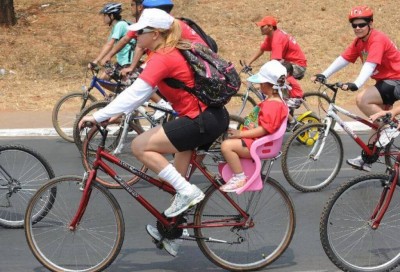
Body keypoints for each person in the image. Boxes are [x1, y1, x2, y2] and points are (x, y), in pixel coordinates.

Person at [78, 8, 230, 257]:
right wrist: (117, 113)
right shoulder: (165, 53)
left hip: (201, 120)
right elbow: (145, 93)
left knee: (140, 146)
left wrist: (98, 115)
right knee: (175, 184)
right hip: (207, 118)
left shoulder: (165, 57)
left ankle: (189, 193)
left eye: (140, 32)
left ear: (156, 34)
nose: (136, 36)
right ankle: (172, 233)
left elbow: (135, 92)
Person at [312, 5, 400, 172]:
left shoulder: (377, 39)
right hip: (386, 81)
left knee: (362, 99)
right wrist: (324, 74)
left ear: (370, 24)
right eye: (354, 25)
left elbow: (370, 64)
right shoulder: (360, 42)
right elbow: (344, 58)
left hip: (396, 80)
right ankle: (367, 159)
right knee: (376, 121)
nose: (358, 28)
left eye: (362, 24)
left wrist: (357, 84)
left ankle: (389, 128)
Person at [220, 60, 289, 192]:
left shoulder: (273, 105)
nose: (259, 86)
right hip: (255, 141)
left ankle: (239, 177)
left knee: (226, 146)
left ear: (266, 85)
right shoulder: (275, 101)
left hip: (258, 145)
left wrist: (240, 134)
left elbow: (264, 129)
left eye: (261, 83)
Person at [90, 3, 134, 91]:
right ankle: (120, 96)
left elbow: (110, 44)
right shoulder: (116, 26)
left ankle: (123, 97)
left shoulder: (120, 25)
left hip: (127, 62)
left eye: (105, 15)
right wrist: (98, 59)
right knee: (103, 79)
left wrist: (96, 61)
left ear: (112, 15)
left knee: (125, 87)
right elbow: (108, 44)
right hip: (121, 61)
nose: (103, 18)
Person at [247, 15, 307, 80]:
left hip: (297, 66)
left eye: (263, 26)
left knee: (272, 78)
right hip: (289, 63)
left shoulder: (277, 39)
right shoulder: (271, 35)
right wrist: (249, 62)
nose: (260, 28)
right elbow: (262, 49)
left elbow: (275, 62)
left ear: (270, 27)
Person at [281, 61, 304, 131]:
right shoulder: (289, 78)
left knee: (282, 106)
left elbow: (283, 83)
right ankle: (287, 121)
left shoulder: (289, 79)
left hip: (296, 100)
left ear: (287, 73)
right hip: (294, 98)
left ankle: (293, 122)